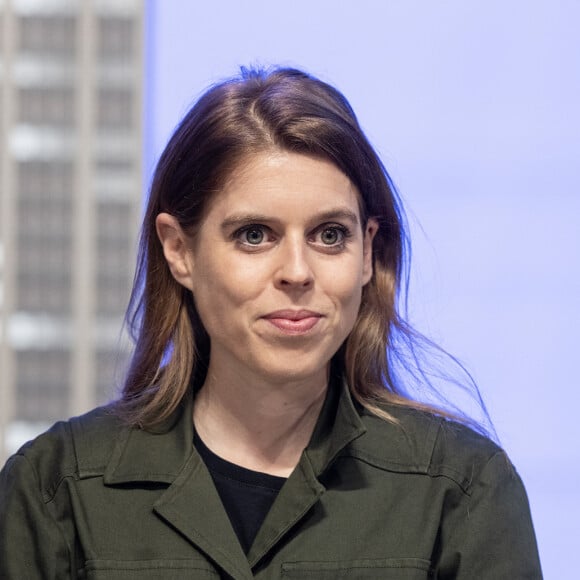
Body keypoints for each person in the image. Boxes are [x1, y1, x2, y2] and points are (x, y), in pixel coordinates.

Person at [0, 66, 542, 579]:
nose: (297, 273)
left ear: (368, 252)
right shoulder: (56, 490)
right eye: (254, 235)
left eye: (330, 235)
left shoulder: (462, 490)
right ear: (179, 250)